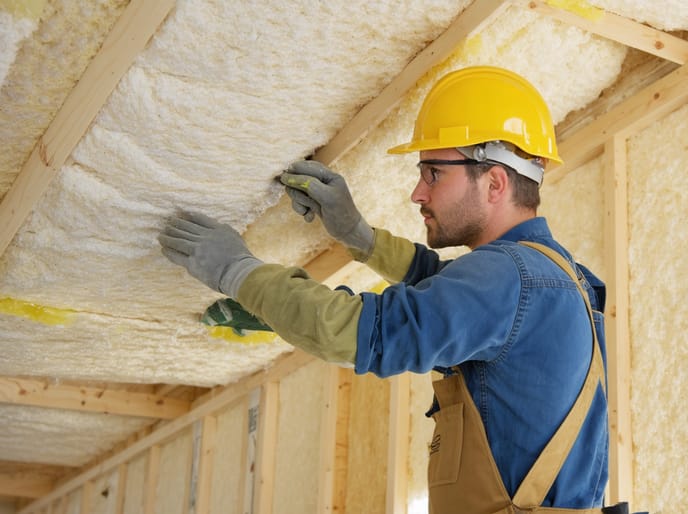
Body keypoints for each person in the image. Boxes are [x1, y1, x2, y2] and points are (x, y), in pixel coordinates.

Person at [159, 66, 609, 513]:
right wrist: (358, 235)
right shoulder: (548, 275)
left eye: (433, 173)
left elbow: (352, 333)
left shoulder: (511, 278)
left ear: (494, 182)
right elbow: (443, 285)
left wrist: (237, 271)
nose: (417, 193)